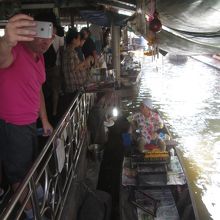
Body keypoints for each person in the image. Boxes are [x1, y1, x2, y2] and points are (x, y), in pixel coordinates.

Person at [0, 12, 55, 219]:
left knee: (30, 168)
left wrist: (44, 119)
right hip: (13, 126)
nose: (46, 40)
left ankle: (36, 197)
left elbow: (38, 89)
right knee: (20, 178)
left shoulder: (39, 58)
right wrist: (6, 40)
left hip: (30, 123)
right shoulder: (15, 50)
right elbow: (1, 57)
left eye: (50, 34)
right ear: (31, 32)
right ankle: (33, 214)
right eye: (41, 33)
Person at [62, 29, 91, 107]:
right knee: (76, 109)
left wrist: (83, 66)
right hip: (74, 88)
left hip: (77, 87)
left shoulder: (72, 51)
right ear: (73, 40)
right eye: (78, 38)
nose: (79, 40)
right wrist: (85, 62)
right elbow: (73, 69)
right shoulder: (69, 52)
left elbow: (76, 67)